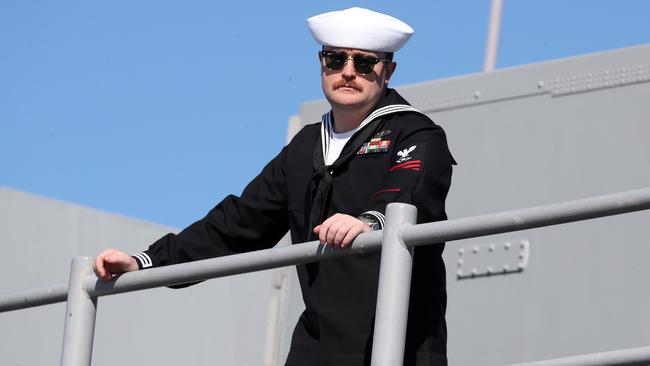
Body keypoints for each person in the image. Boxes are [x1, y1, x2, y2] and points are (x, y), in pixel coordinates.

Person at [95, 7, 455, 366]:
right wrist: (146, 262)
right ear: (321, 63)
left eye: (364, 63)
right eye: (335, 59)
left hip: (398, 345)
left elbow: (412, 193)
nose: (348, 72)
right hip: (318, 345)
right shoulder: (304, 148)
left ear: (388, 71)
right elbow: (238, 223)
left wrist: (369, 223)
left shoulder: (414, 133)